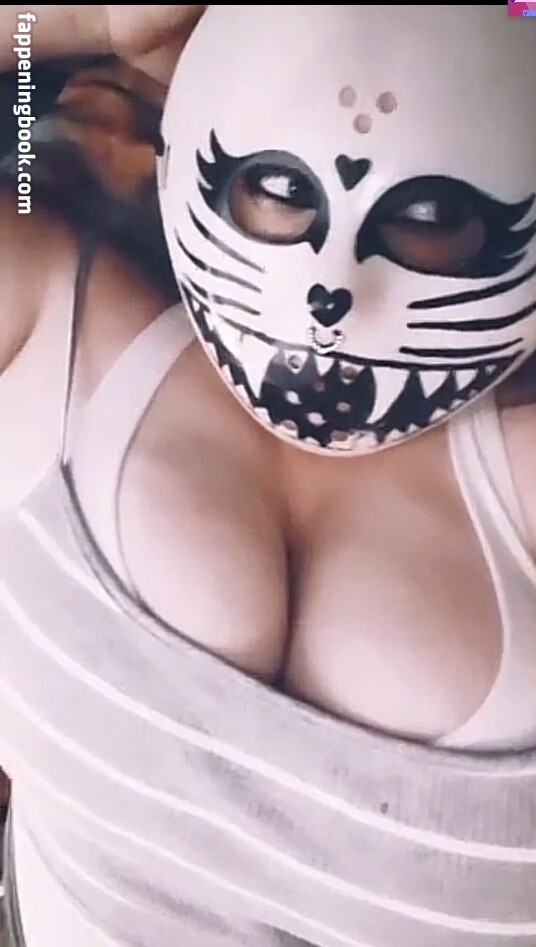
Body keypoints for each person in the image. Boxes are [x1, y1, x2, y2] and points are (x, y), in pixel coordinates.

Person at [0, 5, 535, 946]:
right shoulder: (43, 309)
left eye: (428, 216)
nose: (336, 294)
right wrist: (74, 19)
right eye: (282, 187)